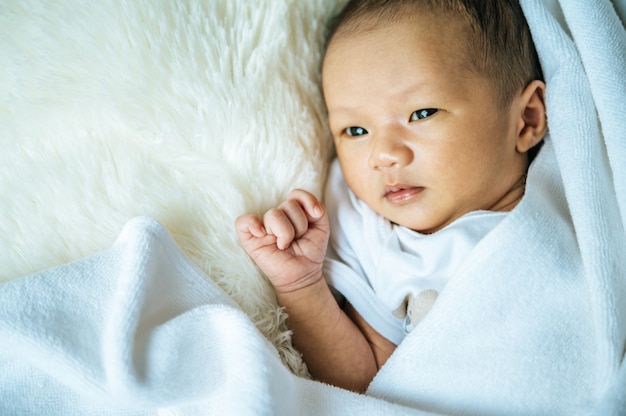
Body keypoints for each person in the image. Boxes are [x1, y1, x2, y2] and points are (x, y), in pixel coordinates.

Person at [235, 0, 547, 393]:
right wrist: (300, 287)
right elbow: (365, 380)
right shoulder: (391, 254)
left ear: (528, 119)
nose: (383, 155)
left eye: (422, 113)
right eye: (356, 131)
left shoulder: (576, 205)